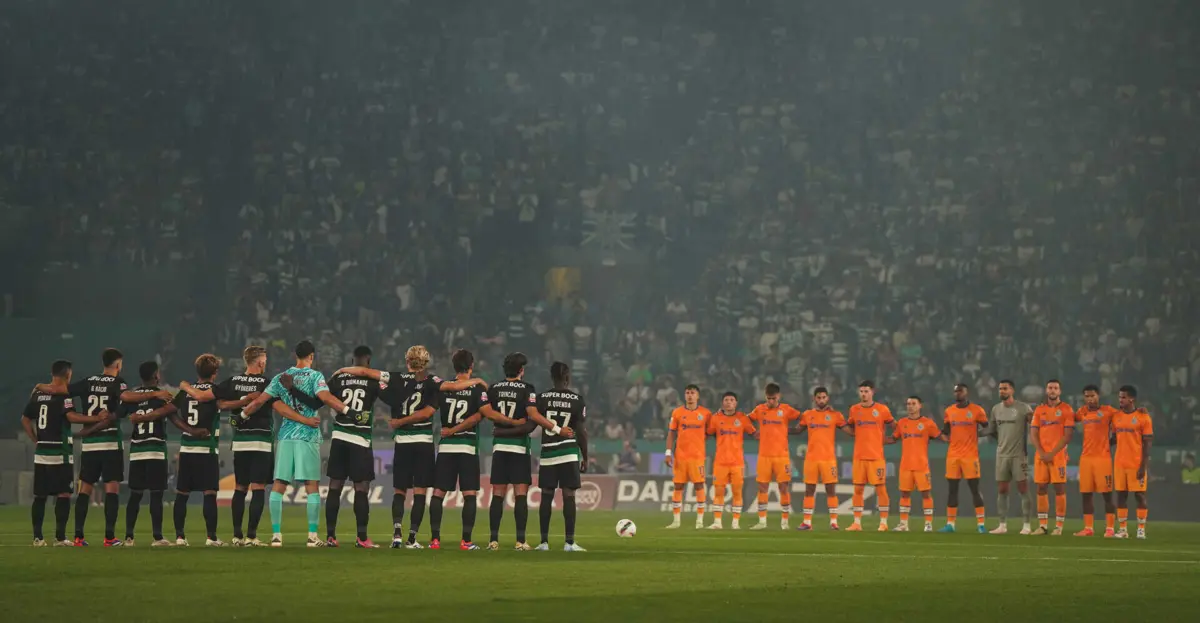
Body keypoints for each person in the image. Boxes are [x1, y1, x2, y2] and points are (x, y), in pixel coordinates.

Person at [338, 345, 483, 548]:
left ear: (408, 361)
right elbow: (452, 388)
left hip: (402, 442)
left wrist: (343, 370)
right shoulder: (431, 381)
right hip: (422, 442)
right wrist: (476, 380)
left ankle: (397, 534)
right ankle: (412, 538)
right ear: (426, 362)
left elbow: (364, 371)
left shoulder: (396, 378)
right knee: (420, 492)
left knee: (399, 491)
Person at [240, 340, 358, 547]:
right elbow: (326, 398)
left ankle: (276, 535)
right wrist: (347, 410)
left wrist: (242, 414)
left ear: (296, 355)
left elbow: (259, 402)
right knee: (311, 486)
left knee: (278, 486)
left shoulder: (280, 377)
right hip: (307, 435)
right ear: (311, 356)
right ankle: (312, 536)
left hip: (285, 435)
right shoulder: (315, 376)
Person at [430, 349, 526, 550]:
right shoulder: (477, 390)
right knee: (469, 494)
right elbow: (488, 414)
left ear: (454, 366)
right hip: (466, 447)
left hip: (446, 447)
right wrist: (513, 421)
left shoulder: (443, 388)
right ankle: (466, 541)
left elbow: (430, 409)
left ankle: (435, 540)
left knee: (438, 493)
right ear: (471, 366)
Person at [176, 345, 271, 546]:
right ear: (261, 362)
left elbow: (215, 403)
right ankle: (250, 537)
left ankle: (236, 536)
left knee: (240, 487)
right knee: (258, 488)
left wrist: (184, 386)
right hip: (260, 440)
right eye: (265, 360)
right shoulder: (267, 383)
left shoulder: (232, 382)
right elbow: (276, 405)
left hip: (237, 442)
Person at [35, 348, 128, 546]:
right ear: (118, 364)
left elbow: (63, 390)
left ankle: (78, 536)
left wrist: (42, 386)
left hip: (90, 445)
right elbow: (124, 405)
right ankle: (109, 537)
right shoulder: (119, 383)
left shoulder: (88, 381)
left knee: (85, 488)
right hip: (110, 442)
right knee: (112, 488)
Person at [138, 354, 225, 546]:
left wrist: (146, 416)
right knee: (209, 493)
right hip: (207, 450)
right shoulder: (215, 390)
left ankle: (179, 537)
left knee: (182, 493)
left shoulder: (186, 392)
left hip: (186, 450)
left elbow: (168, 411)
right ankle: (211, 537)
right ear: (215, 373)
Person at [22, 360, 106, 546]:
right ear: (68, 375)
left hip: (42, 451)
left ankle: (38, 537)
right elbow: (71, 417)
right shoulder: (64, 395)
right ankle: (60, 537)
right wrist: (95, 418)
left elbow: (25, 419)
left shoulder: (38, 393)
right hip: (60, 451)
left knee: (40, 496)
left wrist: (35, 439)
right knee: (63, 494)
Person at [486, 352, 564, 551]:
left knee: (497, 494)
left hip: (500, 446)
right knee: (520, 494)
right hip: (519, 448)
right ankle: (520, 541)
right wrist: (556, 428)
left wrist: (503, 428)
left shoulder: (494, 388)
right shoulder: (527, 389)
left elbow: (487, 413)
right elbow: (532, 415)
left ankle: (493, 540)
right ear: (521, 370)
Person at [319, 345, 390, 548]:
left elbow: (323, 396)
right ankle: (361, 538)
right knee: (361, 488)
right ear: (368, 360)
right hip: (360, 439)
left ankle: (331, 537)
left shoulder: (339, 377)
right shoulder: (372, 380)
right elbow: (389, 396)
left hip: (339, 437)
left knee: (334, 486)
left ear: (352, 360)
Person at [123, 361, 197, 547]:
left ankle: (129, 537)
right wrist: (191, 430)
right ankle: (157, 537)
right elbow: (173, 418)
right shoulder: (162, 396)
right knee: (156, 495)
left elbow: (118, 412)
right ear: (156, 375)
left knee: (135, 495)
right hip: (155, 450)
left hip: (137, 451)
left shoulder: (132, 397)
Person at [534, 361, 584, 551]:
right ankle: (569, 543)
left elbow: (533, 424)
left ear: (552, 377)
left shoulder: (542, 398)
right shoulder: (577, 399)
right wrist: (585, 456)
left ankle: (543, 542)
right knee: (569, 494)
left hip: (548, 451)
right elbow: (582, 431)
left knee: (546, 495)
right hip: (568, 452)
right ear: (567, 377)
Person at [747, 383, 802, 530]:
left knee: (783, 488)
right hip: (764, 455)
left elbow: (802, 418)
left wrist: (793, 430)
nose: (771, 401)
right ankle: (762, 522)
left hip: (781, 456)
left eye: (773, 398)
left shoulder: (786, 409)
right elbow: (746, 420)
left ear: (779, 396)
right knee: (762, 487)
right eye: (768, 398)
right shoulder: (759, 409)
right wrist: (753, 432)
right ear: (766, 396)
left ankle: (785, 522)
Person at [887, 396, 945, 532]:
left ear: (920, 406)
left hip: (921, 465)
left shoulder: (928, 423)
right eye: (908, 404)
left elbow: (940, 437)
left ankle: (928, 524)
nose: (910, 406)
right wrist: (879, 439)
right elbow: (894, 438)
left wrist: (954, 436)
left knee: (926, 494)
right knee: (904, 494)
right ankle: (903, 524)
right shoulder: (901, 423)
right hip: (905, 465)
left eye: (913, 404)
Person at [795, 386, 850, 530]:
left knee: (830, 490)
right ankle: (807, 522)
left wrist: (864, 429)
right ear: (814, 399)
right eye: (818, 397)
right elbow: (797, 430)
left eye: (823, 397)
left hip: (828, 459)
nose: (821, 400)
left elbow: (848, 431)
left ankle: (834, 522)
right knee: (809, 490)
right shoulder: (807, 414)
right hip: (811, 459)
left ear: (828, 398)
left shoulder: (835, 415)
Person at [984, 379, 1035, 535]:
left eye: (1005, 389)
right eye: (1000, 389)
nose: (1002, 391)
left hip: (1019, 455)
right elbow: (991, 430)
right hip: (1001, 455)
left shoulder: (1023, 408)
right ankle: (1002, 525)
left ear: (1012, 390)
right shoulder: (995, 409)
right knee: (1002, 489)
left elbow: (1035, 425)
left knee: (1023, 488)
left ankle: (1026, 524)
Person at [939, 383, 989, 534]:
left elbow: (987, 427)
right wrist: (943, 437)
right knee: (952, 490)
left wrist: (977, 436)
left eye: (960, 391)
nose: (958, 394)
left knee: (974, 489)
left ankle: (981, 524)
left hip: (970, 456)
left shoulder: (977, 410)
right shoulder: (949, 411)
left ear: (967, 392)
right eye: (955, 392)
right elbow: (946, 431)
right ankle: (950, 524)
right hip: (953, 456)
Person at [846, 380, 894, 532]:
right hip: (859, 456)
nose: (863, 394)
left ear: (873, 392)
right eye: (861, 391)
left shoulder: (882, 410)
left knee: (880, 489)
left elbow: (896, 427)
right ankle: (857, 523)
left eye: (866, 391)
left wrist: (891, 439)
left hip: (876, 456)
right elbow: (851, 428)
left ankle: (884, 523)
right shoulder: (854, 410)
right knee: (858, 489)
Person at [1030, 379, 1075, 536]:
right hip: (1041, 455)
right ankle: (1042, 526)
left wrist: (1052, 453)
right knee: (1041, 488)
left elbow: (1068, 435)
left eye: (1055, 388)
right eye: (1050, 387)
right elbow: (1034, 432)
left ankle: (1059, 526)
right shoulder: (1039, 410)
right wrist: (1042, 452)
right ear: (1046, 390)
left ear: (1060, 391)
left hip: (1058, 456)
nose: (1052, 390)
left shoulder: (1066, 409)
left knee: (1059, 488)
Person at [664, 384, 710, 529]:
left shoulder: (706, 414)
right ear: (685, 395)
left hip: (697, 457)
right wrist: (668, 452)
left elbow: (711, 432)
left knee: (699, 485)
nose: (690, 395)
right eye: (687, 393)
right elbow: (671, 433)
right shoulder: (677, 412)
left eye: (693, 393)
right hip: (681, 456)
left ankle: (700, 521)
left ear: (698, 396)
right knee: (678, 486)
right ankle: (676, 521)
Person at [706, 391, 755, 529]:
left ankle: (735, 522)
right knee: (719, 492)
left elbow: (753, 433)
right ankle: (717, 522)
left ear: (736, 403)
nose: (729, 402)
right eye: (726, 400)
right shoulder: (716, 418)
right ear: (722, 402)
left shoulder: (742, 418)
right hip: (720, 462)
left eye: (732, 400)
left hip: (737, 462)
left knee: (737, 492)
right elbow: (708, 433)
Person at [1075, 385, 1117, 537]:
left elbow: (1123, 419)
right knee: (1086, 494)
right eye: (1087, 396)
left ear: (1098, 396)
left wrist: (1111, 441)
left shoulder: (1108, 411)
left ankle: (1110, 528)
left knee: (1106, 494)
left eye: (1092, 396)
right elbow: (1069, 419)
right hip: (1086, 458)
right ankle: (1088, 528)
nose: (1090, 399)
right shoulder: (1082, 412)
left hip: (1102, 459)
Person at [1112, 385, 1152, 539]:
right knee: (1121, 495)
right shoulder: (1116, 417)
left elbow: (1147, 443)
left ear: (1131, 399)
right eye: (1119, 397)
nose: (1120, 400)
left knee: (1140, 495)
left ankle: (1141, 529)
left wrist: (1143, 465)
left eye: (1123, 397)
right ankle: (1123, 530)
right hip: (1120, 462)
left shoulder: (1143, 417)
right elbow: (1114, 438)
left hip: (1136, 463)